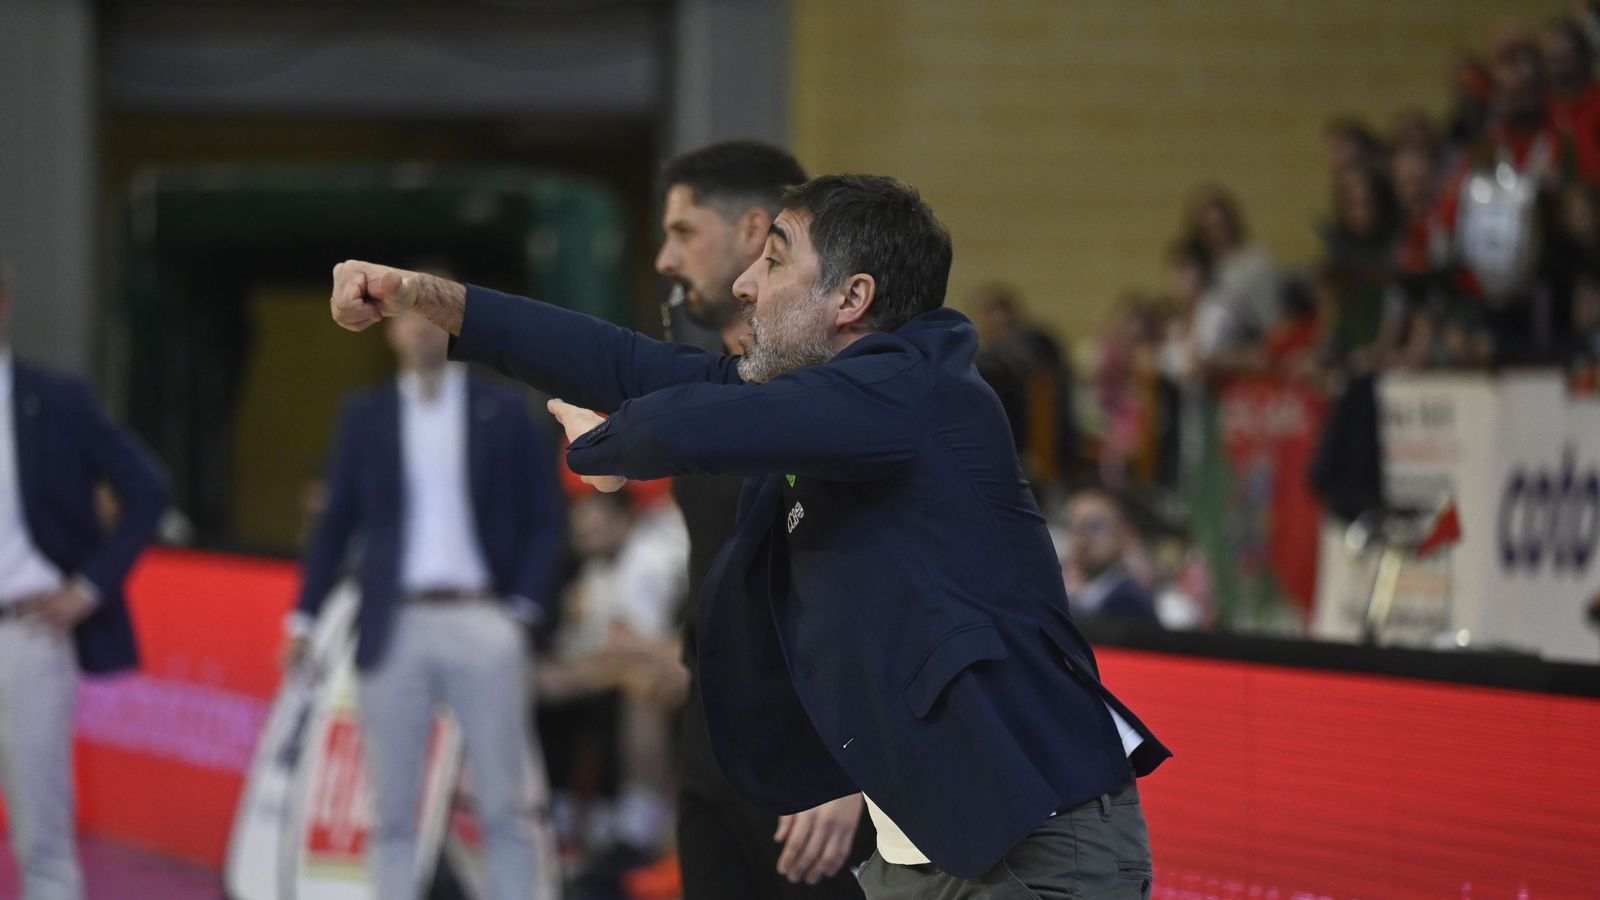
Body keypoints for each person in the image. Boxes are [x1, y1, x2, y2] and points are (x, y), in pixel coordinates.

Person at [325, 172, 1170, 899]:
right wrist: (427, 298)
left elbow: (700, 423)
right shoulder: (826, 405)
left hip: (1036, 840)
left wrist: (603, 446)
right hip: (931, 848)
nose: (743, 286)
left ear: (852, 298)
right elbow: (628, 366)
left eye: (773, 259)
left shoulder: (921, 390)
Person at [652, 140, 872, 898]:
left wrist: (857, 771)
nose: (664, 259)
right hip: (709, 743)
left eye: (683, 233)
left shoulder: (836, 395)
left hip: (812, 762)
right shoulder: (707, 388)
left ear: (753, 232)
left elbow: (887, 590)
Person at [286, 310, 563, 900]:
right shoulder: (366, 413)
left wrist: (522, 614)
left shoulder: (505, 411)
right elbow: (334, 525)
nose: (420, 331)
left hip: (483, 615)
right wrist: (302, 617)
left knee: (505, 805)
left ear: (454, 328)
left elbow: (545, 520)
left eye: (432, 317)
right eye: (407, 320)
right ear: (390, 332)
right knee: (390, 808)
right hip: (395, 619)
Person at [0, 264, 170, 900]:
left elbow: (149, 488)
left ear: (5, 303)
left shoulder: (57, 401)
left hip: (28, 631)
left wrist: (90, 586)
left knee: (41, 834)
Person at [1061, 488, 1160, 625]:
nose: (1082, 539)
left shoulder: (1130, 601)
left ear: (1124, 534)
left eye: (1095, 527)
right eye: (1075, 527)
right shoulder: (1071, 592)